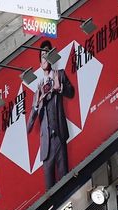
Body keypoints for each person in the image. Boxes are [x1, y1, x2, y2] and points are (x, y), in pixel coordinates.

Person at [27, 40, 75, 189]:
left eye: (47, 55)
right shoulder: (38, 88)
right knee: (49, 188)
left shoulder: (59, 75)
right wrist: (37, 104)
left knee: (65, 182)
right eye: (42, 56)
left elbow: (71, 93)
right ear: (40, 63)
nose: (45, 58)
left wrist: (59, 88)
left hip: (59, 138)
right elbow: (29, 126)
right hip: (46, 146)